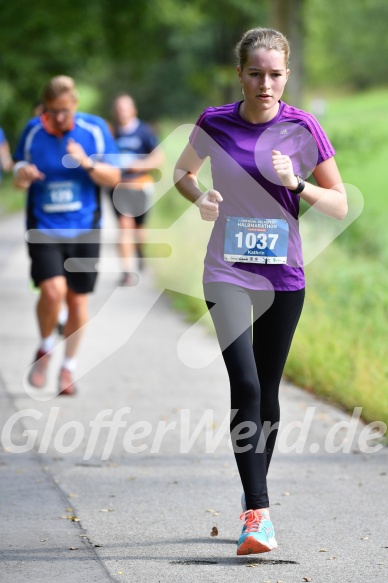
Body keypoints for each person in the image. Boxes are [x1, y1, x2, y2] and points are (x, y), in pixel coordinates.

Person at [174, 28, 347, 556]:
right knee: (246, 387)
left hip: (282, 277)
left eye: (275, 74)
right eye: (255, 73)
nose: (265, 83)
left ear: (286, 76)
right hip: (226, 272)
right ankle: (259, 513)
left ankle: (254, 506)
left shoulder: (302, 128)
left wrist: (297, 184)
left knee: (267, 395)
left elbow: (339, 203)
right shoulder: (215, 122)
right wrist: (200, 197)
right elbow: (183, 172)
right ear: (240, 74)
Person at [13, 75, 120, 395]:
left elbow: (114, 177)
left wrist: (86, 162)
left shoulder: (94, 130)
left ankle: (68, 367)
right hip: (44, 227)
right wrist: (24, 174)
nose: (58, 117)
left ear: (74, 104)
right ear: (44, 107)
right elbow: (17, 174)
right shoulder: (33, 131)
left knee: (76, 301)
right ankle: (46, 346)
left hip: (85, 228)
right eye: (51, 111)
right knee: (52, 291)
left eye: (64, 110)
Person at [109, 93, 163, 285]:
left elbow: (158, 158)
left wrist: (136, 165)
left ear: (134, 110)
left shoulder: (145, 131)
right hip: (118, 187)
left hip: (140, 185)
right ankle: (127, 272)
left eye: (125, 108)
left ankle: (139, 251)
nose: (121, 112)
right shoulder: (111, 132)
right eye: (118, 109)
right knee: (125, 227)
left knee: (139, 230)